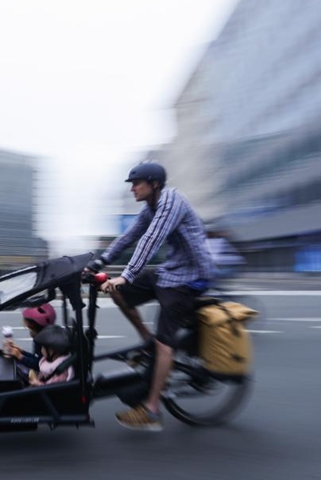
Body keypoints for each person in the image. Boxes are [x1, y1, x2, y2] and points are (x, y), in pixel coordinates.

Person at [87, 162, 213, 431]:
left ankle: (152, 410)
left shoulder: (171, 202)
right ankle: (147, 342)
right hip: (171, 271)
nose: (132, 188)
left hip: (191, 277)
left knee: (165, 341)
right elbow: (129, 236)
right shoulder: (151, 207)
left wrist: (127, 275)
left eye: (137, 182)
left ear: (154, 184)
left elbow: (151, 239)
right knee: (118, 293)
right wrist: (98, 264)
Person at [5, 303, 56, 372]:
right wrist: (22, 352)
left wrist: (20, 356)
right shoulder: (45, 335)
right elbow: (37, 358)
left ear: (31, 325)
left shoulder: (41, 340)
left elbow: (39, 365)